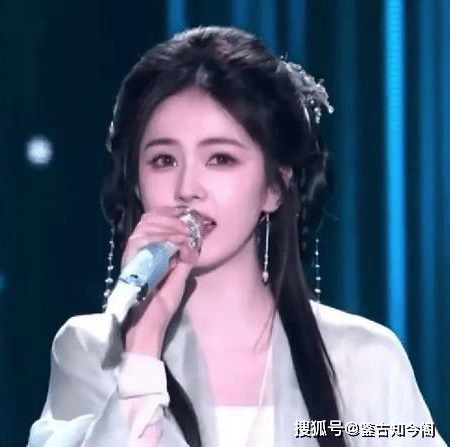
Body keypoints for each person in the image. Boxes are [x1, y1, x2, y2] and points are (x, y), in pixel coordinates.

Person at [26, 26, 446, 447]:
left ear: (274, 186)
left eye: (221, 158)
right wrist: (142, 346)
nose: (188, 188)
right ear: (136, 183)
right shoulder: (90, 352)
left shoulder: (364, 360)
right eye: (164, 160)